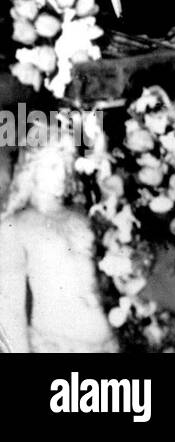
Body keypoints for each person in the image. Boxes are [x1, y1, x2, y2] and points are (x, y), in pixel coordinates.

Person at [0, 141, 118, 353]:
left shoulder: (83, 216)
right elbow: (10, 309)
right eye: (52, 167)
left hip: (108, 343)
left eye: (65, 165)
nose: (62, 174)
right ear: (31, 169)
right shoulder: (14, 225)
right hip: (55, 345)